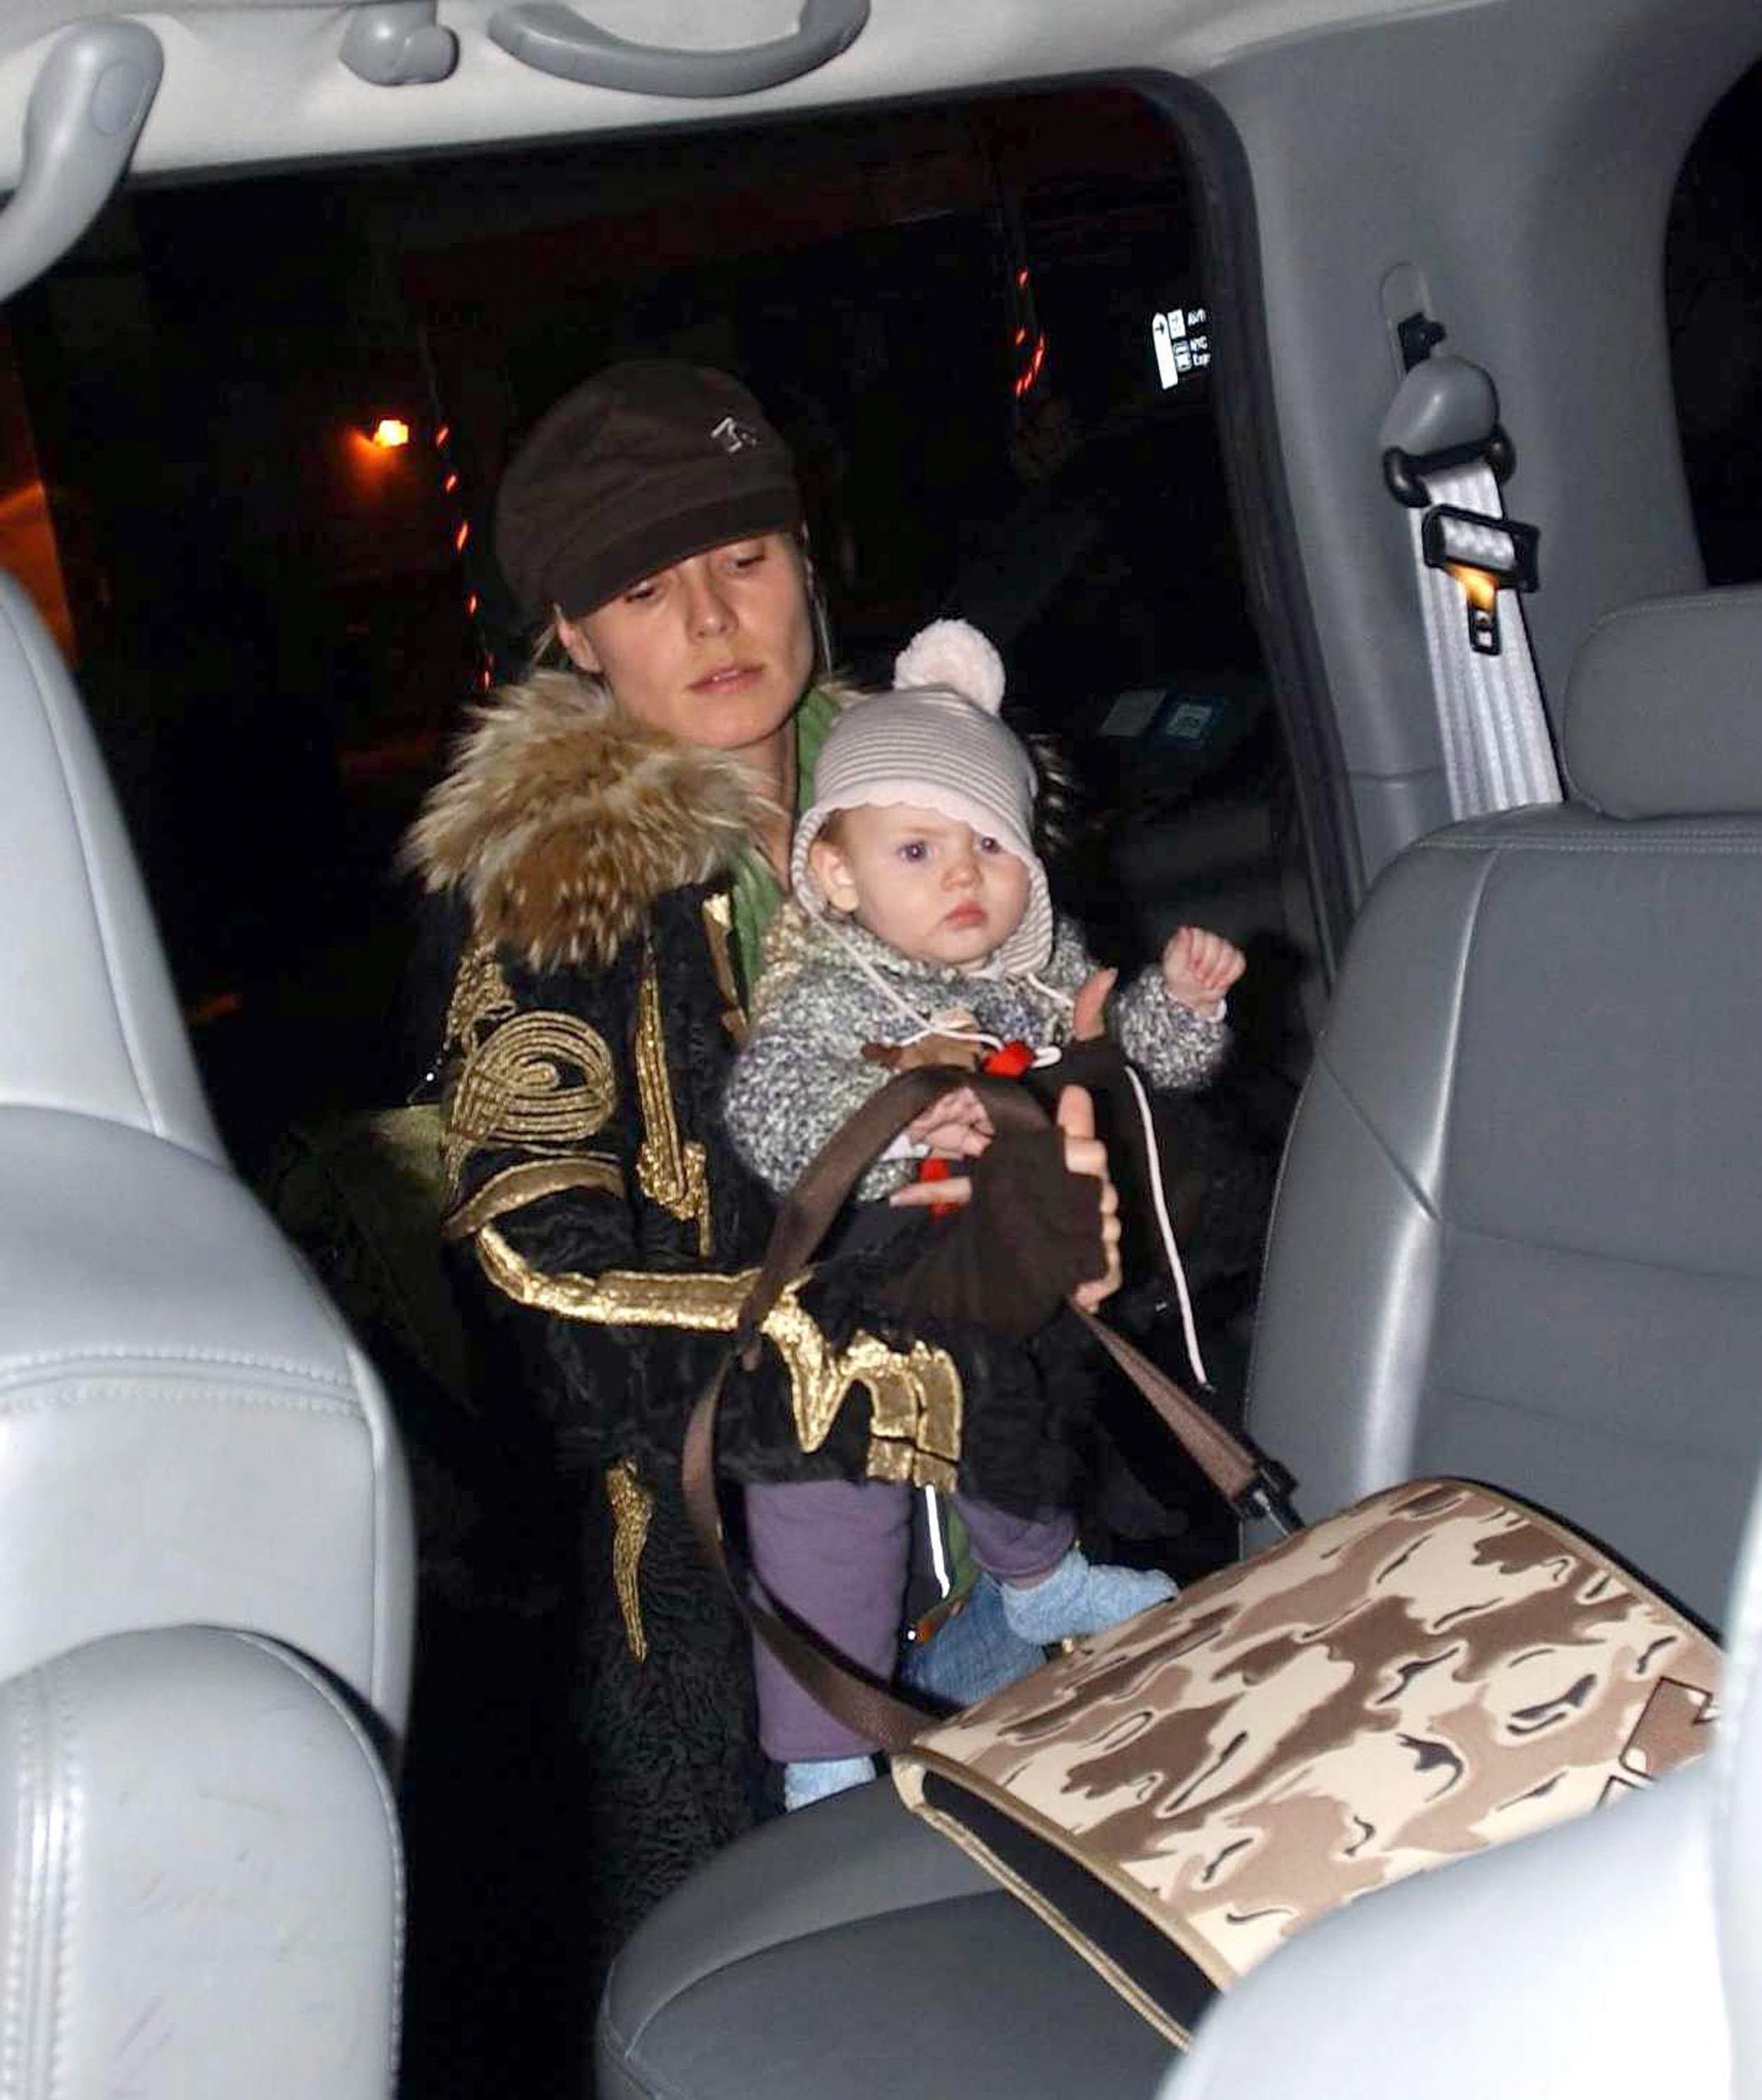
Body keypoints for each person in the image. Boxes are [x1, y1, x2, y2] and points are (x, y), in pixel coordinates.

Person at [399, 364, 1125, 1983]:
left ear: (806, 557)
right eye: (646, 589)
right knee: (808, 1989)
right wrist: (810, 1345)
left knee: (1091, 1973)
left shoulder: (939, 791)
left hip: (1011, 1493)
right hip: (720, 1565)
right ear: (577, 636)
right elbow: (529, 1250)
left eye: (743, 557)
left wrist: (1089, 1161)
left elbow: (1075, 1049)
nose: (715, 617)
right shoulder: (542, 889)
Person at [722, 619, 1247, 1809]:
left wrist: (1180, 1007)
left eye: (991, 848)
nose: (963, 875)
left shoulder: (1037, 976)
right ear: (839, 874)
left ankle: (1038, 1577)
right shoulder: (828, 989)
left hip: (994, 1280)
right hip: (849, 1299)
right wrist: (898, 1122)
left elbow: (1130, 1061)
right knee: (826, 1496)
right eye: (917, 849)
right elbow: (769, 1107)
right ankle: (820, 1750)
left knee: (1018, 1414)